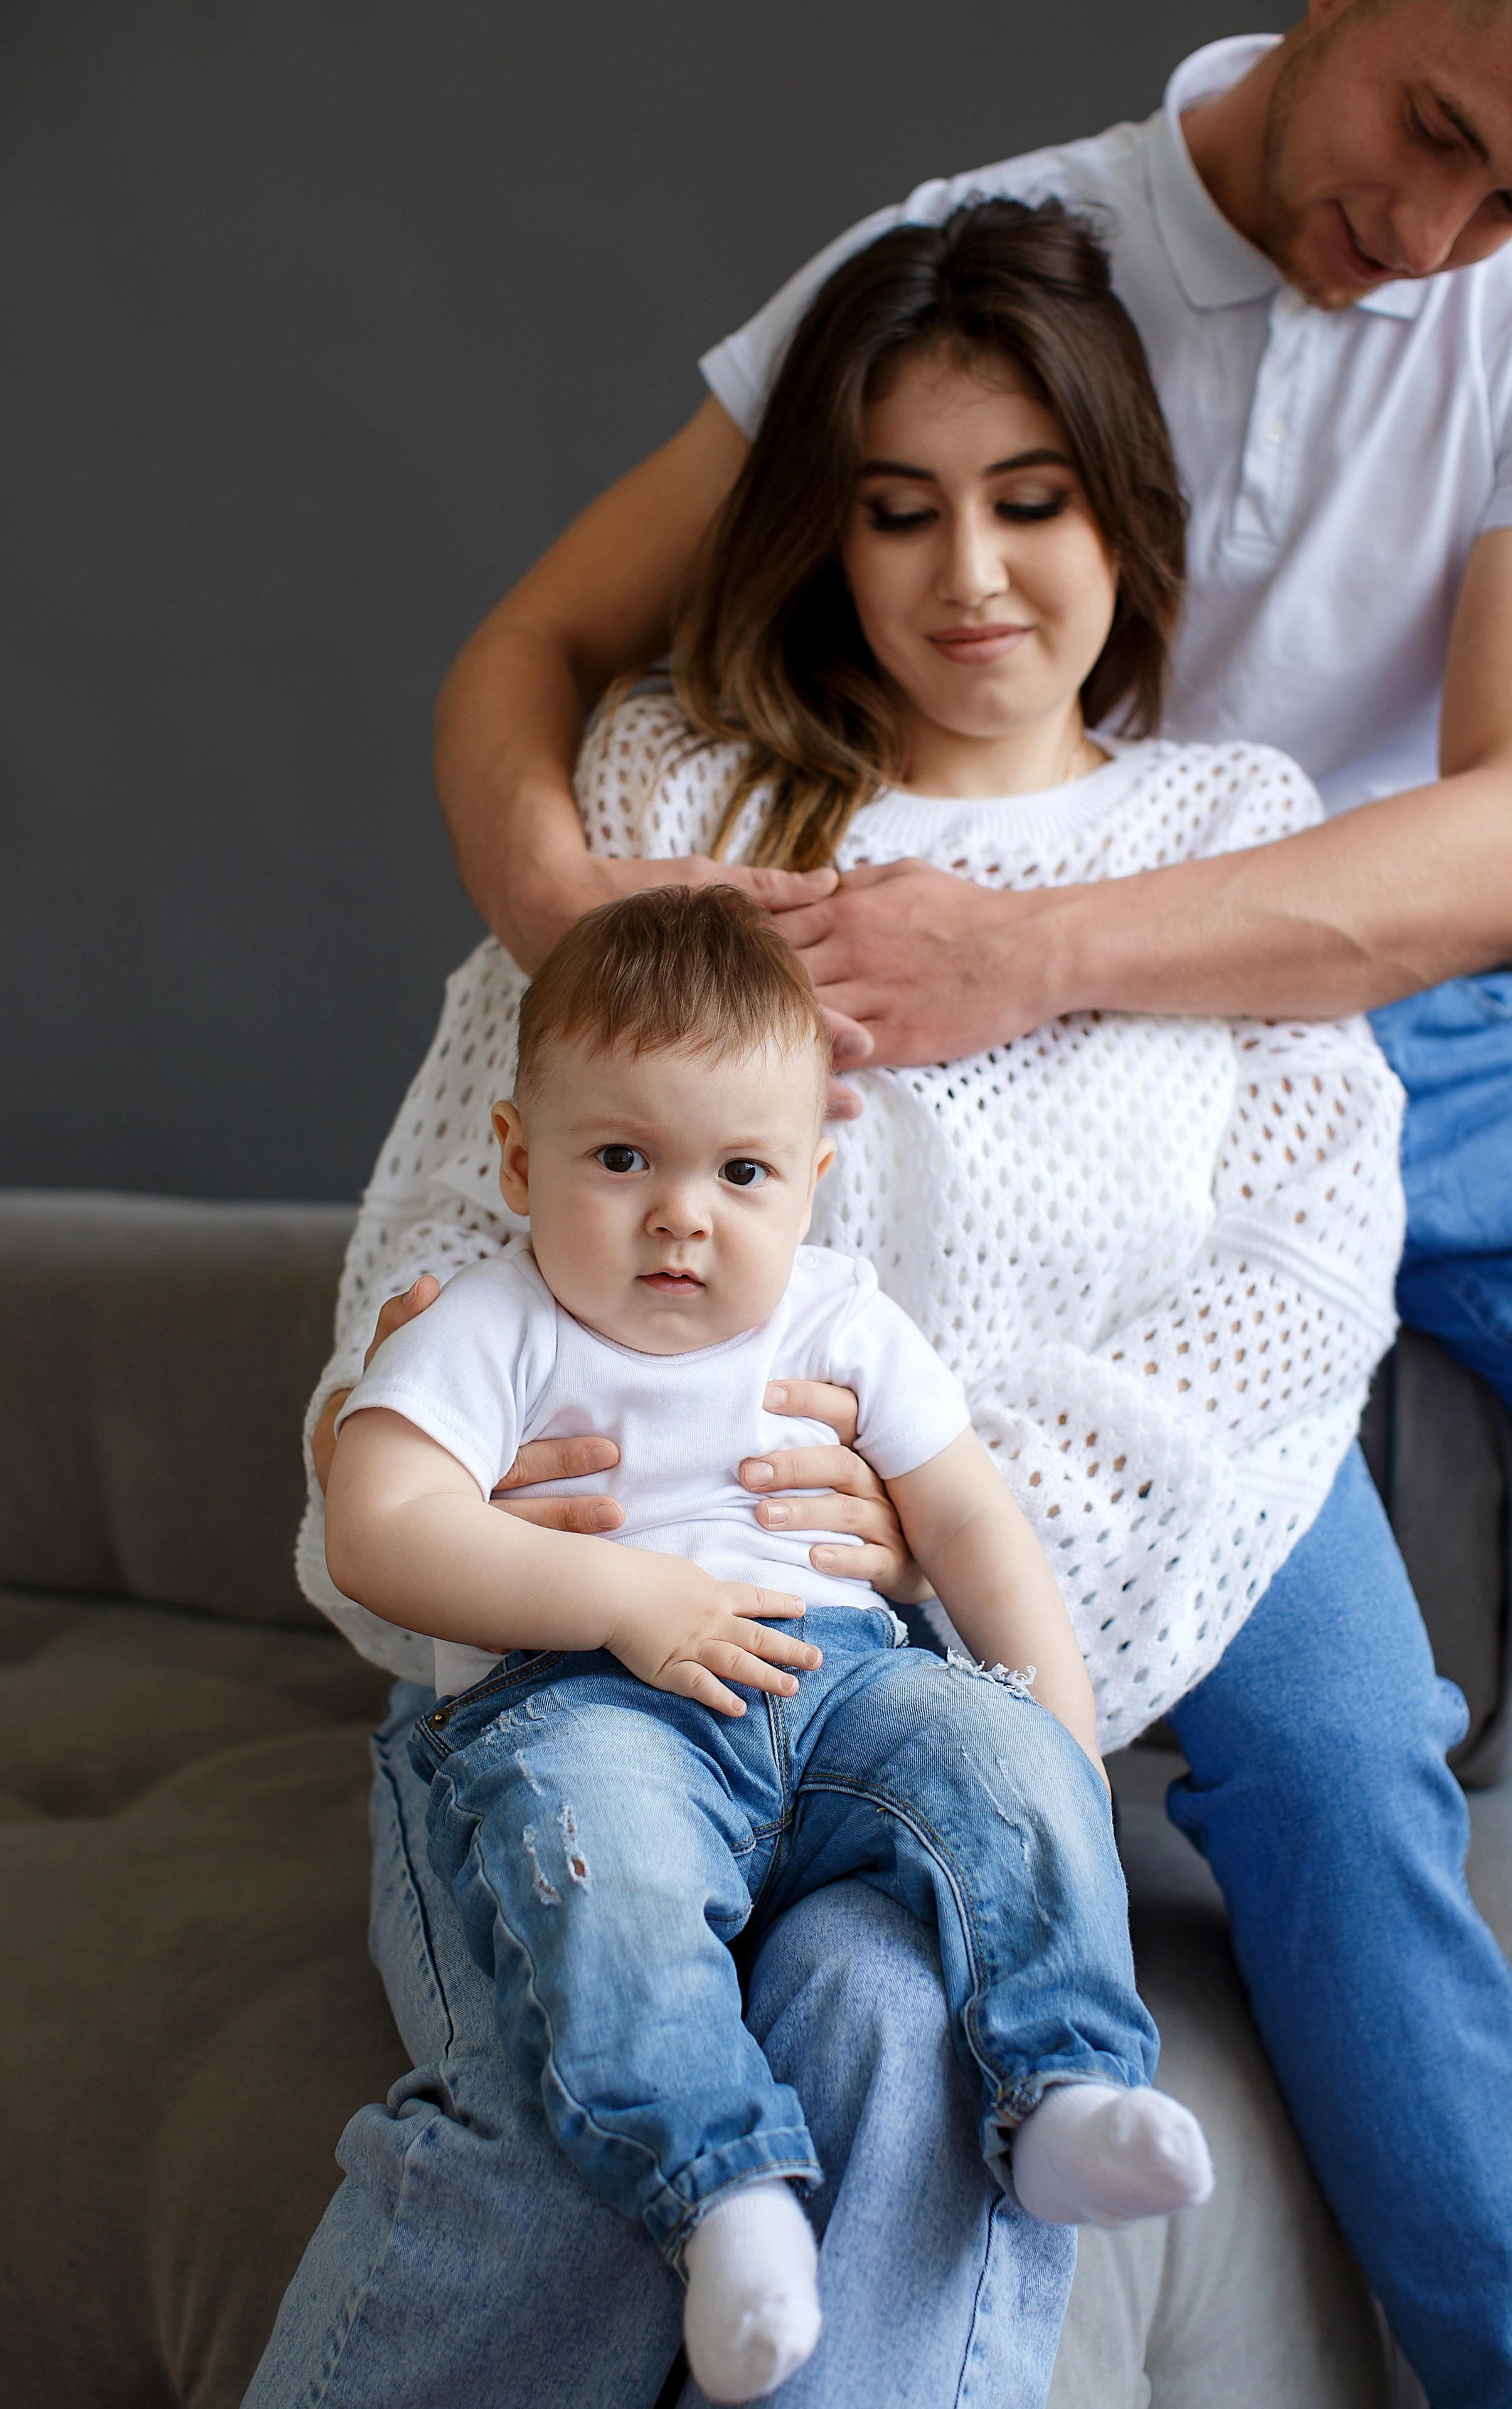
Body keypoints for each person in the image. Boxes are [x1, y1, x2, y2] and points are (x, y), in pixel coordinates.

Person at [243, 195, 1512, 2409]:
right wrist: (518, 1475)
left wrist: (952, 1516)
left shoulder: (1227, 816)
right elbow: (474, 1181)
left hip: (967, 1537)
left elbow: (1307, 1259)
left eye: (1032, 504)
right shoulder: (679, 789)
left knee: (1272, 1805)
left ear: (1126, 512)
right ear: (824, 534)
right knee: (740, 1985)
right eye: (898, 513)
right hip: (688, 1565)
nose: (971, 576)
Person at [430, 0, 1512, 1414]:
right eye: (1432, 128)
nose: (1427, 239)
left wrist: (1030, 948)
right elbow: (540, 635)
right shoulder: (983, 255)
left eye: (1502, 200)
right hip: (964, 984)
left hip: (1380, 1000)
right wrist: (553, 909)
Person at [322, 883, 1213, 2406]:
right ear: (519, 1159)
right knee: (609, 1876)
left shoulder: (839, 1319)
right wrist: (618, 1601)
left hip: (833, 1683)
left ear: (812, 1173)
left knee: (1000, 1760)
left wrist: (1052, 1747)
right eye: (621, 1160)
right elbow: (379, 1525)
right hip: (585, 1699)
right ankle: (720, 2189)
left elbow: (974, 1529)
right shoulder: (489, 1321)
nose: (682, 1213)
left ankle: (1062, 2079)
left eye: (740, 1169)